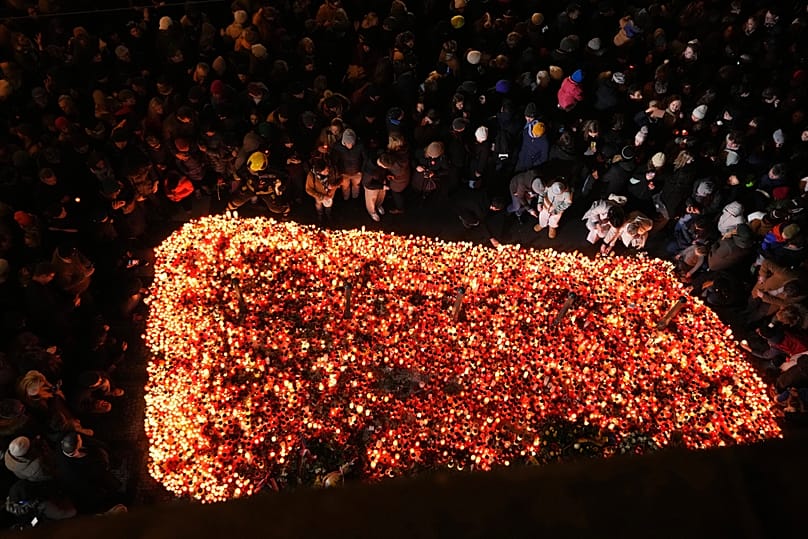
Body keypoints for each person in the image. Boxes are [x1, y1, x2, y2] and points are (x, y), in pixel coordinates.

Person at [226, 151, 290, 217]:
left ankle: (286, 211)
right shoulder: (250, 163)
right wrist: (227, 180)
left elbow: (285, 176)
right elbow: (238, 175)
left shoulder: (275, 170)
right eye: (249, 169)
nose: (250, 170)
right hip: (251, 187)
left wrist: (281, 186)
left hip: (268, 191)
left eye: (253, 171)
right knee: (236, 200)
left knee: (276, 208)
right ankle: (229, 209)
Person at [331, 129, 365, 201]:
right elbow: (334, 161)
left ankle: (355, 198)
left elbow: (365, 159)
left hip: (357, 172)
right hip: (344, 173)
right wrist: (339, 172)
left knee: (356, 186)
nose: (350, 145)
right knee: (345, 187)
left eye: (351, 143)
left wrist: (361, 171)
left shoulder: (360, 146)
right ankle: (346, 199)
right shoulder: (337, 147)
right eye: (347, 143)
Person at [305, 157, 340, 222]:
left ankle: (328, 215)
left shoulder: (333, 170)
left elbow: (340, 179)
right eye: (324, 172)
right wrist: (321, 197)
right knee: (319, 205)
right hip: (319, 195)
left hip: (330, 195)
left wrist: (333, 186)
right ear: (318, 172)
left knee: (329, 205)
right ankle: (320, 215)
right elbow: (308, 189)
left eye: (327, 169)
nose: (327, 172)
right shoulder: (311, 175)